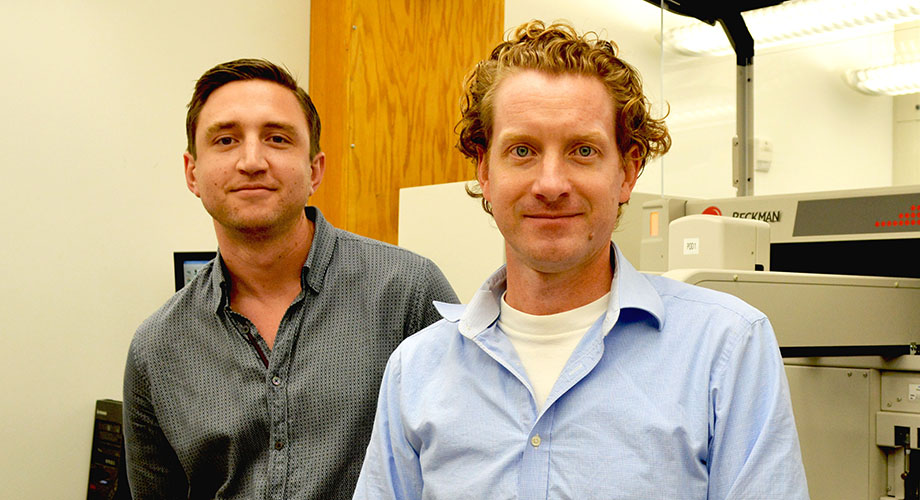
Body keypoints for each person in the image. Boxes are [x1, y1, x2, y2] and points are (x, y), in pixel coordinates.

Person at [354, 21, 809, 499]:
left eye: (583, 151)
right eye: (522, 150)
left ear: (628, 171)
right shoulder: (418, 368)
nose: (551, 184)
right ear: (485, 173)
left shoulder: (726, 349)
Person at [122, 59, 458, 499]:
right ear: (192, 173)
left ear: (315, 170)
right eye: (225, 140)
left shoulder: (408, 292)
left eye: (277, 139)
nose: (252, 161)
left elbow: (466, 463)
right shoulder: (157, 350)